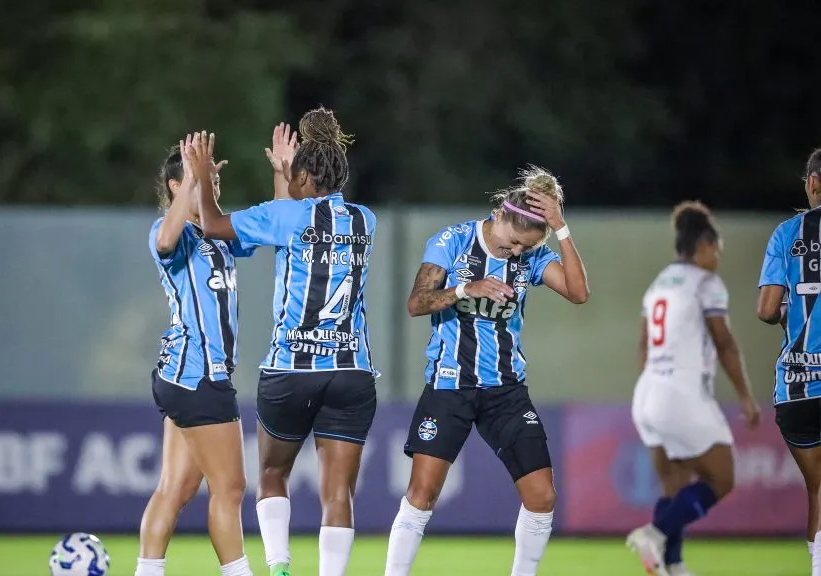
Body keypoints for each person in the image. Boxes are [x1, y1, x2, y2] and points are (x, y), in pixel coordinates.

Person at [189, 108, 378, 576]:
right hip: (351, 371)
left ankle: (279, 567)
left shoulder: (286, 214)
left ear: (308, 176)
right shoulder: (365, 221)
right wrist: (283, 175)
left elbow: (214, 225)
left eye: (295, 176)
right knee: (339, 493)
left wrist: (199, 178)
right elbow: (294, 220)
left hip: (291, 370)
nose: (289, 182)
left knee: (273, 475)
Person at [383, 167, 590, 576]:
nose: (516, 252)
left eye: (524, 247)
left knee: (542, 496)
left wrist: (561, 228)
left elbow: (579, 293)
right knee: (422, 492)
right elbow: (416, 302)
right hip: (449, 384)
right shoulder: (453, 242)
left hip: (506, 390)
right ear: (499, 213)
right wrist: (465, 289)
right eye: (514, 242)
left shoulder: (530, 257)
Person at [136, 135, 256, 576]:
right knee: (230, 487)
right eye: (207, 178)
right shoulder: (172, 231)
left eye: (216, 178)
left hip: (187, 374)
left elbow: (272, 228)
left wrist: (282, 175)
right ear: (176, 185)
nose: (214, 185)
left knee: (176, 487)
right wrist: (193, 179)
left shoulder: (215, 234)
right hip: (198, 373)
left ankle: (146, 571)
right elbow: (165, 241)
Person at [625, 201, 760, 576]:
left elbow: (643, 345)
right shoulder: (706, 283)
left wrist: (653, 385)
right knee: (721, 478)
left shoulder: (658, 284)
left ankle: (674, 565)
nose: (716, 258)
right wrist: (746, 395)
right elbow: (725, 343)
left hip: (647, 391)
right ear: (703, 246)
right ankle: (655, 533)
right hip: (680, 394)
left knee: (675, 483)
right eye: (716, 249)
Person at [757, 147, 821, 575]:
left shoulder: (787, 233)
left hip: (798, 386)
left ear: (812, 182)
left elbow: (766, 310)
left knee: (817, 489)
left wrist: (787, 313)